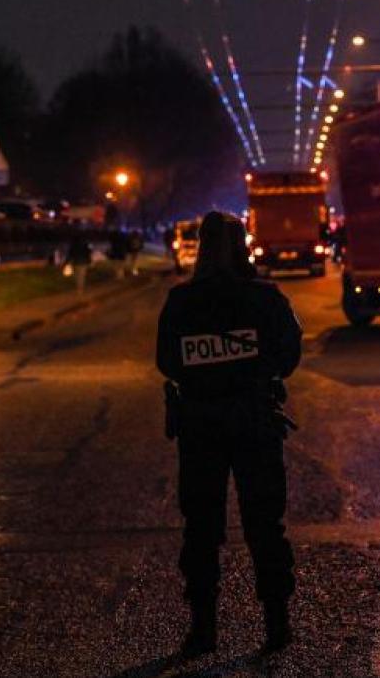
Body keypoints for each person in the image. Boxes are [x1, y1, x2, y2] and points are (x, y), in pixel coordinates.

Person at [156, 211, 303, 657]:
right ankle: (276, 626)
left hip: (201, 425)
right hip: (254, 421)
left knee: (201, 528)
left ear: (201, 247)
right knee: (264, 525)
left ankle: (203, 631)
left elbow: (167, 361)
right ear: (242, 247)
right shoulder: (266, 299)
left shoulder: (181, 302)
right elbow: (289, 354)